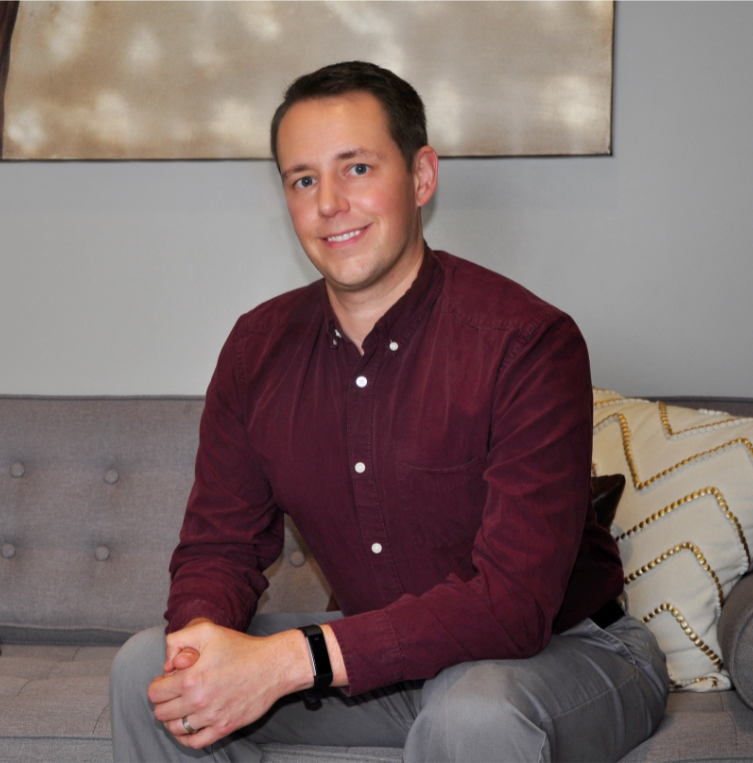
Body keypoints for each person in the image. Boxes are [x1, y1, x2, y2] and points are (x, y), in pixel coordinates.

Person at [110, 61, 669, 763]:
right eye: (303, 179)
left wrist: (290, 660)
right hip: (380, 668)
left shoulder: (526, 342)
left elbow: (513, 604)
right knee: (147, 672)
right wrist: (200, 652)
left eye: (357, 168)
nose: (329, 203)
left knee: (471, 713)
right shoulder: (257, 349)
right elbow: (219, 547)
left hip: (564, 654)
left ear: (421, 177)